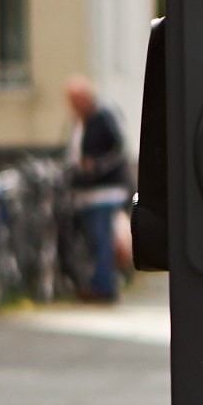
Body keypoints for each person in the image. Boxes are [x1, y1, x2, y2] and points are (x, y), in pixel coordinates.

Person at [61, 77, 131, 302]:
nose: (74, 105)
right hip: (86, 193)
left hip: (106, 191)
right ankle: (99, 283)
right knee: (93, 239)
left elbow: (119, 148)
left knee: (102, 238)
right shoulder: (80, 121)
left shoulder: (103, 116)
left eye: (77, 100)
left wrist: (97, 165)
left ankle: (104, 288)